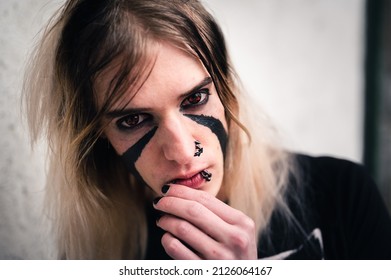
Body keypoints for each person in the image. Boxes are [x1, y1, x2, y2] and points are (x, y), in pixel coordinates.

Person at [23, 0, 391, 260]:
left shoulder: (343, 196)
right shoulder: (96, 254)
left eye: (195, 99)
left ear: (226, 91)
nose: (182, 152)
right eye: (133, 120)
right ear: (100, 139)